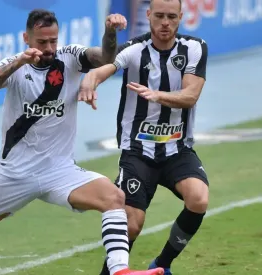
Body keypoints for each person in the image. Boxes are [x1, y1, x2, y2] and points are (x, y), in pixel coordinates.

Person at [0, 9, 164, 275]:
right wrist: (19, 62)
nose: (48, 48)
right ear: (26, 38)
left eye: (53, 41)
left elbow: (105, 57)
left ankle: (119, 271)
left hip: (59, 171)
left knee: (114, 197)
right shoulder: (15, 65)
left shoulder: (70, 57)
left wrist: (110, 33)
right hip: (14, 174)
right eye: (41, 42)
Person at [78, 0, 209, 274]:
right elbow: (105, 67)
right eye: (159, 15)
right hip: (138, 152)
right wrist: (91, 81)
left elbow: (190, 96)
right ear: (148, 15)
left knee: (198, 199)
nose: (165, 22)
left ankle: (162, 265)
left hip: (177, 149)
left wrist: (158, 95)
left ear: (180, 17)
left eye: (171, 17)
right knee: (132, 225)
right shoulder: (134, 50)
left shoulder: (194, 48)